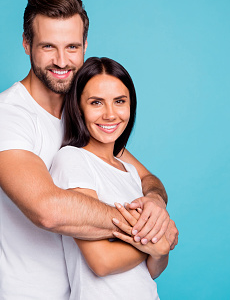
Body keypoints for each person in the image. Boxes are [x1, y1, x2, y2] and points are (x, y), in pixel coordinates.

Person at [0, 0, 178, 299]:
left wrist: (156, 206)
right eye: (48, 47)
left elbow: (146, 179)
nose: (62, 61)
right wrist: (147, 231)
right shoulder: (4, 117)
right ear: (27, 44)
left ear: (85, 46)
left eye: (72, 47)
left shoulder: (82, 113)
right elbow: (48, 210)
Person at [50, 57, 170, 299]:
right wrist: (158, 243)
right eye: (96, 102)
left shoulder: (131, 172)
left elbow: (152, 271)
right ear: (78, 107)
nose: (110, 114)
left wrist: (158, 251)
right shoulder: (72, 159)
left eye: (119, 101)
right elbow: (101, 261)